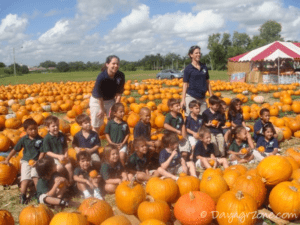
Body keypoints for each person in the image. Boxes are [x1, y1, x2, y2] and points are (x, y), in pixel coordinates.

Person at [2, 118, 44, 204]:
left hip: (36, 162)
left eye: (35, 128)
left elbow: (43, 152)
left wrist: (38, 161)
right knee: (25, 179)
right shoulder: (23, 139)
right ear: (25, 130)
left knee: (36, 178)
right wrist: (7, 159)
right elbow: (15, 150)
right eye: (31, 129)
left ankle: (39, 195)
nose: (34, 131)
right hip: (25, 162)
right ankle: (23, 195)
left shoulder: (41, 140)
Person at [89, 55, 125, 134]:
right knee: (96, 124)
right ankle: (95, 141)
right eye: (113, 63)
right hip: (97, 101)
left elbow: (119, 94)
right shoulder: (101, 77)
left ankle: (112, 140)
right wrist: (102, 110)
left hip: (110, 100)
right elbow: (99, 97)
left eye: (117, 64)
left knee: (113, 120)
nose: (116, 66)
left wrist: (115, 108)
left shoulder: (120, 76)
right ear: (107, 64)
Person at [181, 45, 212, 115]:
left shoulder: (204, 67)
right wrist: (183, 100)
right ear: (191, 55)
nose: (199, 55)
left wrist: (211, 96)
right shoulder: (188, 69)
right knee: (190, 118)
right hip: (191, 97)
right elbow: (185, 84)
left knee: (203, 118)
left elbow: (208, 82)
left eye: (199, 53)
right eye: (196, 53)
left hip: (202, 98)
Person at [42, 115, 73, 184]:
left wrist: (66, 154)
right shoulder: (47, 138)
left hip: (62, 156)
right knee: (59, 168)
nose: (56, 127)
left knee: (69, 166)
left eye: (57, 125)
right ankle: (61, 182)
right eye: (53, 126)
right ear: (47, 128)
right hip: (53, 158)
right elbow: (47, 152)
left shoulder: (62, 135)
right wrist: (58, 156)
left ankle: (71, 182)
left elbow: (65, 147)